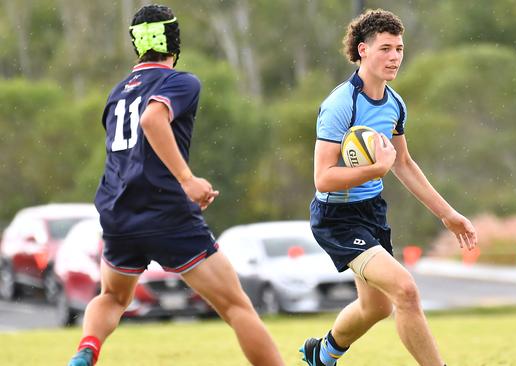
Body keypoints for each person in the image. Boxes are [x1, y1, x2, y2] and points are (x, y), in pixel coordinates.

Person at [67, 4, 284, 366]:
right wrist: (188, 179)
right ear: (174, 41)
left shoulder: (118, 92)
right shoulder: (180, 81)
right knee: (236, 306)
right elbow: (154, 119)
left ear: (137, 44)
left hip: (118, 213)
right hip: (166, 212)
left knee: (113, 298)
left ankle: (87, 350)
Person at [299, 9, 478, 366]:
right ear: (362, 50)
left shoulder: (395, 104)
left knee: (375, 307)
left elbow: (404, 164)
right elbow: (323, 178)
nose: (394, 56)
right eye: (385, 48)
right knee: (405, 291)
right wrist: (375, 169)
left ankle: (322, 354)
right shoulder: (340, 105)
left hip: (371, 212)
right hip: (337, 217)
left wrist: (449, 214)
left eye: (399, 48)